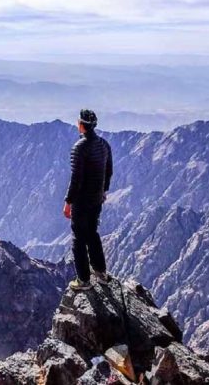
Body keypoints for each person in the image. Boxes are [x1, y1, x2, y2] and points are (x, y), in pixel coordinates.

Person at [62, 108, 113, 291]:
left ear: (81, 125)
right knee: (92, 234)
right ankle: (100, 272)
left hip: (82, 201)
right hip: (97, 199)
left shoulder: (79, 148)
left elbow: (76, 179)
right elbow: (109, 172)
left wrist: (68, 202)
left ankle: (83, 280)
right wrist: (103, 191)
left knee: (78, 238)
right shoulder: (104, 145)